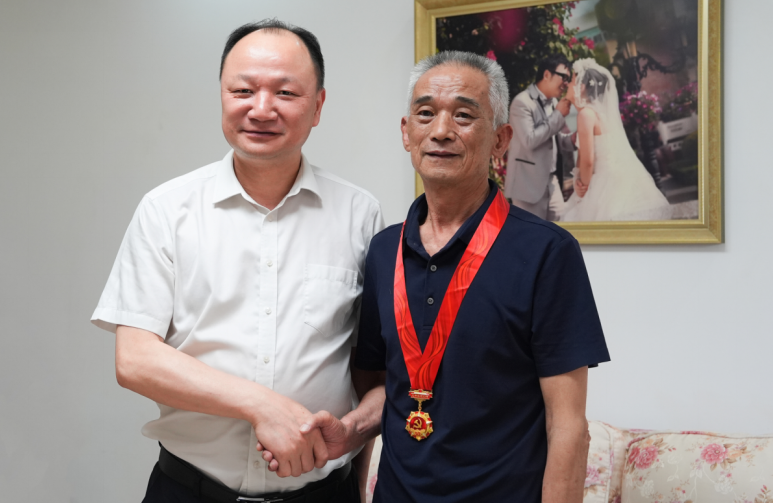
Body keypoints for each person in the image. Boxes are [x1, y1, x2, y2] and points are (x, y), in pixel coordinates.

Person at [266, 51, 610, 502]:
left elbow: (567, 425)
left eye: (464, 115)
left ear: (501, 139)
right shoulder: (383, 249)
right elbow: (382, 387)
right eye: (425, 113)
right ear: (406, 133)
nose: (442, 130)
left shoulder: (547, 251)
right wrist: (351, 433)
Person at [91, 19, 384, 503]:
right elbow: (135, 359)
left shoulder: (359, 215)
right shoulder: (167, 209)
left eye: (285, 92)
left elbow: (370, 370)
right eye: (243, 90)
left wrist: (355, 460)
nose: (261, 109)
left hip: (321, 494)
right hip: (189, 490)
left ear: (318, 106)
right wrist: (260, 406)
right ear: (222, 96)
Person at [560, 58, 672, 222]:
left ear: (581, 87)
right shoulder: (600, 115)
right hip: (619, 179)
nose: (567, 84)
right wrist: (578, 178)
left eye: (571, 81)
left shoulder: (585, 115)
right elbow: (584, 155)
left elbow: (588, 161)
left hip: (603, 183)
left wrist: (582, 189)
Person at [505, 54, 577, 220]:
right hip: (527, 185)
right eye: (563, 77)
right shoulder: (521, 102)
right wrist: (558, 115)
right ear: (546, 74)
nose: (566, 83)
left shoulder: (553, 103)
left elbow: (556, 139)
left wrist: (573, 140)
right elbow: (530, 140)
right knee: (532, 233)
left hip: (552, 181)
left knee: (561, 227)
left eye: (568, 79)